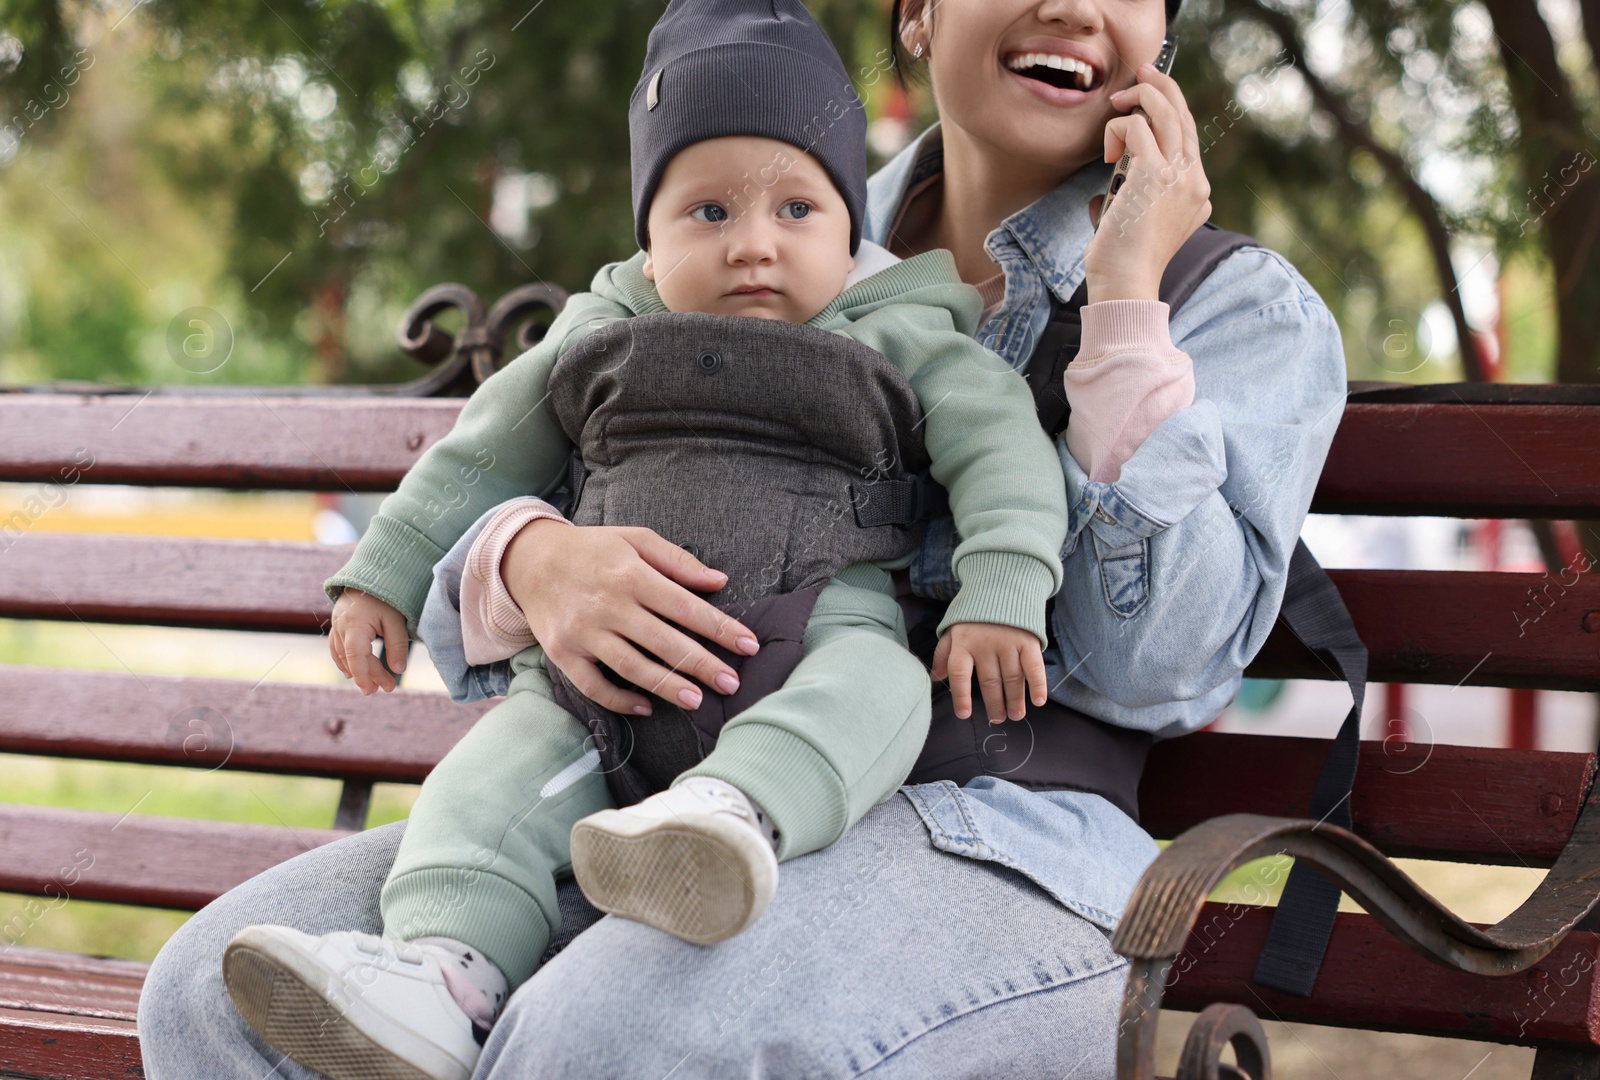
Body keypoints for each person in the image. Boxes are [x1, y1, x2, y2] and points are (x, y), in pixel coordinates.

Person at [136, 0, 1348, 1073]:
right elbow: (547, 447)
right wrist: (526, 559)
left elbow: (1160, 670)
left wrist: (1124, 301)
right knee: (209, 998)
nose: (1072, 8)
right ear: (915, 13)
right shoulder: (756, 196)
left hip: (992, 838)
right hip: (641, 775)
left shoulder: (1234, 306)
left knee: (609, 1036)